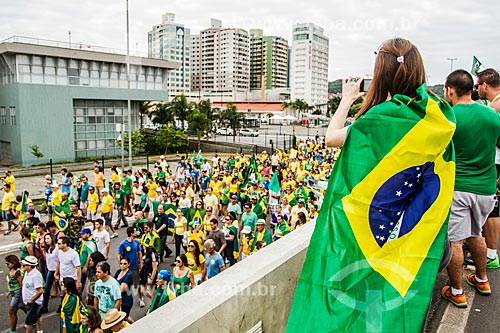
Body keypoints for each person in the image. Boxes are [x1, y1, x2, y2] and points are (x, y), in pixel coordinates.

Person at [287, 38, 456, 332]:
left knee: (362, 313)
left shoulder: (375, 121)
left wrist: (346, 99)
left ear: (380, 74)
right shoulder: (439, 120)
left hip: (370, 242)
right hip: (421, 244)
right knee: (406, 312)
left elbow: (331, 137)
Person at [440, 69, 500, 307]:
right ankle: (482, 279)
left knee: (455, 241)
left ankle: (456, 291)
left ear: (450, 90)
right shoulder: (492, 115)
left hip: (459, 187)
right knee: (477, 234)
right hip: (486, 187)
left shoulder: (450, 117)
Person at [473, 68, 500, 269]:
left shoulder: (495, 108)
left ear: (484, 85)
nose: (476, 89)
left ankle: (490, 254)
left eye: (477, 85)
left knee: (493, 210)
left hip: (496, 162)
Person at [21, 256, 44, 333]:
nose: (22, 267)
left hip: (34, 302)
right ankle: (40, 331)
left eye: (24, 265)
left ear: (29, 266)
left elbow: (40, 290)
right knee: (38, 316)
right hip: (30, 300)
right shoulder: (27, 273)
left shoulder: (35, 275)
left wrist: (31, 300)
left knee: (29, 322)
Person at [5, 254, 26, 333]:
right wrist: (9, 292)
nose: (6, 265)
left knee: (11, 311)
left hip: (18, 293)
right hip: (13, 293)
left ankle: (13, 331)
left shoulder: (18, 273)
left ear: (13, 264)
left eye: (8, 263)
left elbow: (21, 285)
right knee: (23, 307)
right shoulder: (11, 271)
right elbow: (11, 284)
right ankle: (34, 318)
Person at [41, 232, 59, 313]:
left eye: (48, 238)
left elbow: (59, 260)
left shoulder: (57, 248)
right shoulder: (47, 249)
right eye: (45, 239)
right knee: (47, 289)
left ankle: (62, 305)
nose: (46, 240)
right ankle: (44, 306)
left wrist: (57, 272)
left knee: (62, 289)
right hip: (50, 270)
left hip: (58, 271)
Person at [114, 257, 134, 323]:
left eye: (125, 264)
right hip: (120, 299)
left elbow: (121, 289)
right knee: (124, 316)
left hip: (126, 300)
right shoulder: (118, 271)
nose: (122, 265)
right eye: (121, 263)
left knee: (124, 318)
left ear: (129, 264)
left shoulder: (129, 274)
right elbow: (113, 282)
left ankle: (135, 326)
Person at [78, 228, 98, 292]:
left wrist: (86, 266)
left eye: (83, 234)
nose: (81, 235)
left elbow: (90, 255)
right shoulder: (84, 242)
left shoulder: (90, 243)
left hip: (88, 267)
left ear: (88, 234)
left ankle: (91, 295)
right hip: (82, 265)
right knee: (81, 282)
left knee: (91, 281)